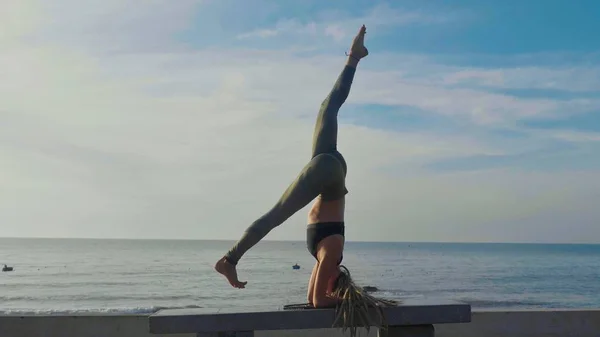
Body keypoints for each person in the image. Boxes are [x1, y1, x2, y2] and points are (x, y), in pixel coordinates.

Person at [215, 25, 369, 308]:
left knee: (328, 107)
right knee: (274, 216)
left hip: (329, 171)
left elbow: (313, 299)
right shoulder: (333, 252)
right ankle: (229, 260)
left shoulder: (326, 256)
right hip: (328, 176)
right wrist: (350, 302)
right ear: (336, 279)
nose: (325, 281)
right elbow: (320, 301)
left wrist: (337, 296)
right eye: (332, 284)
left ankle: (354, 57)